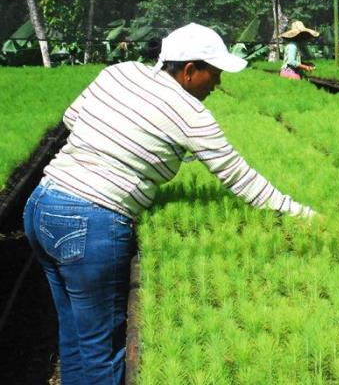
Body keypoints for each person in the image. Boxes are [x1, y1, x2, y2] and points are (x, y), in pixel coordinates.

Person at [23, 23, 316, 384]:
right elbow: (243, 180)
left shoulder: (120, 72)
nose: (217, 83)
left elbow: (72, 118)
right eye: (215, 73)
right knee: (102, 350)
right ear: (189, 70)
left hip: (42, 205)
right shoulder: (191, 114)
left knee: (75, 336)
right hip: (91, 224)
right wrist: (306, 216)